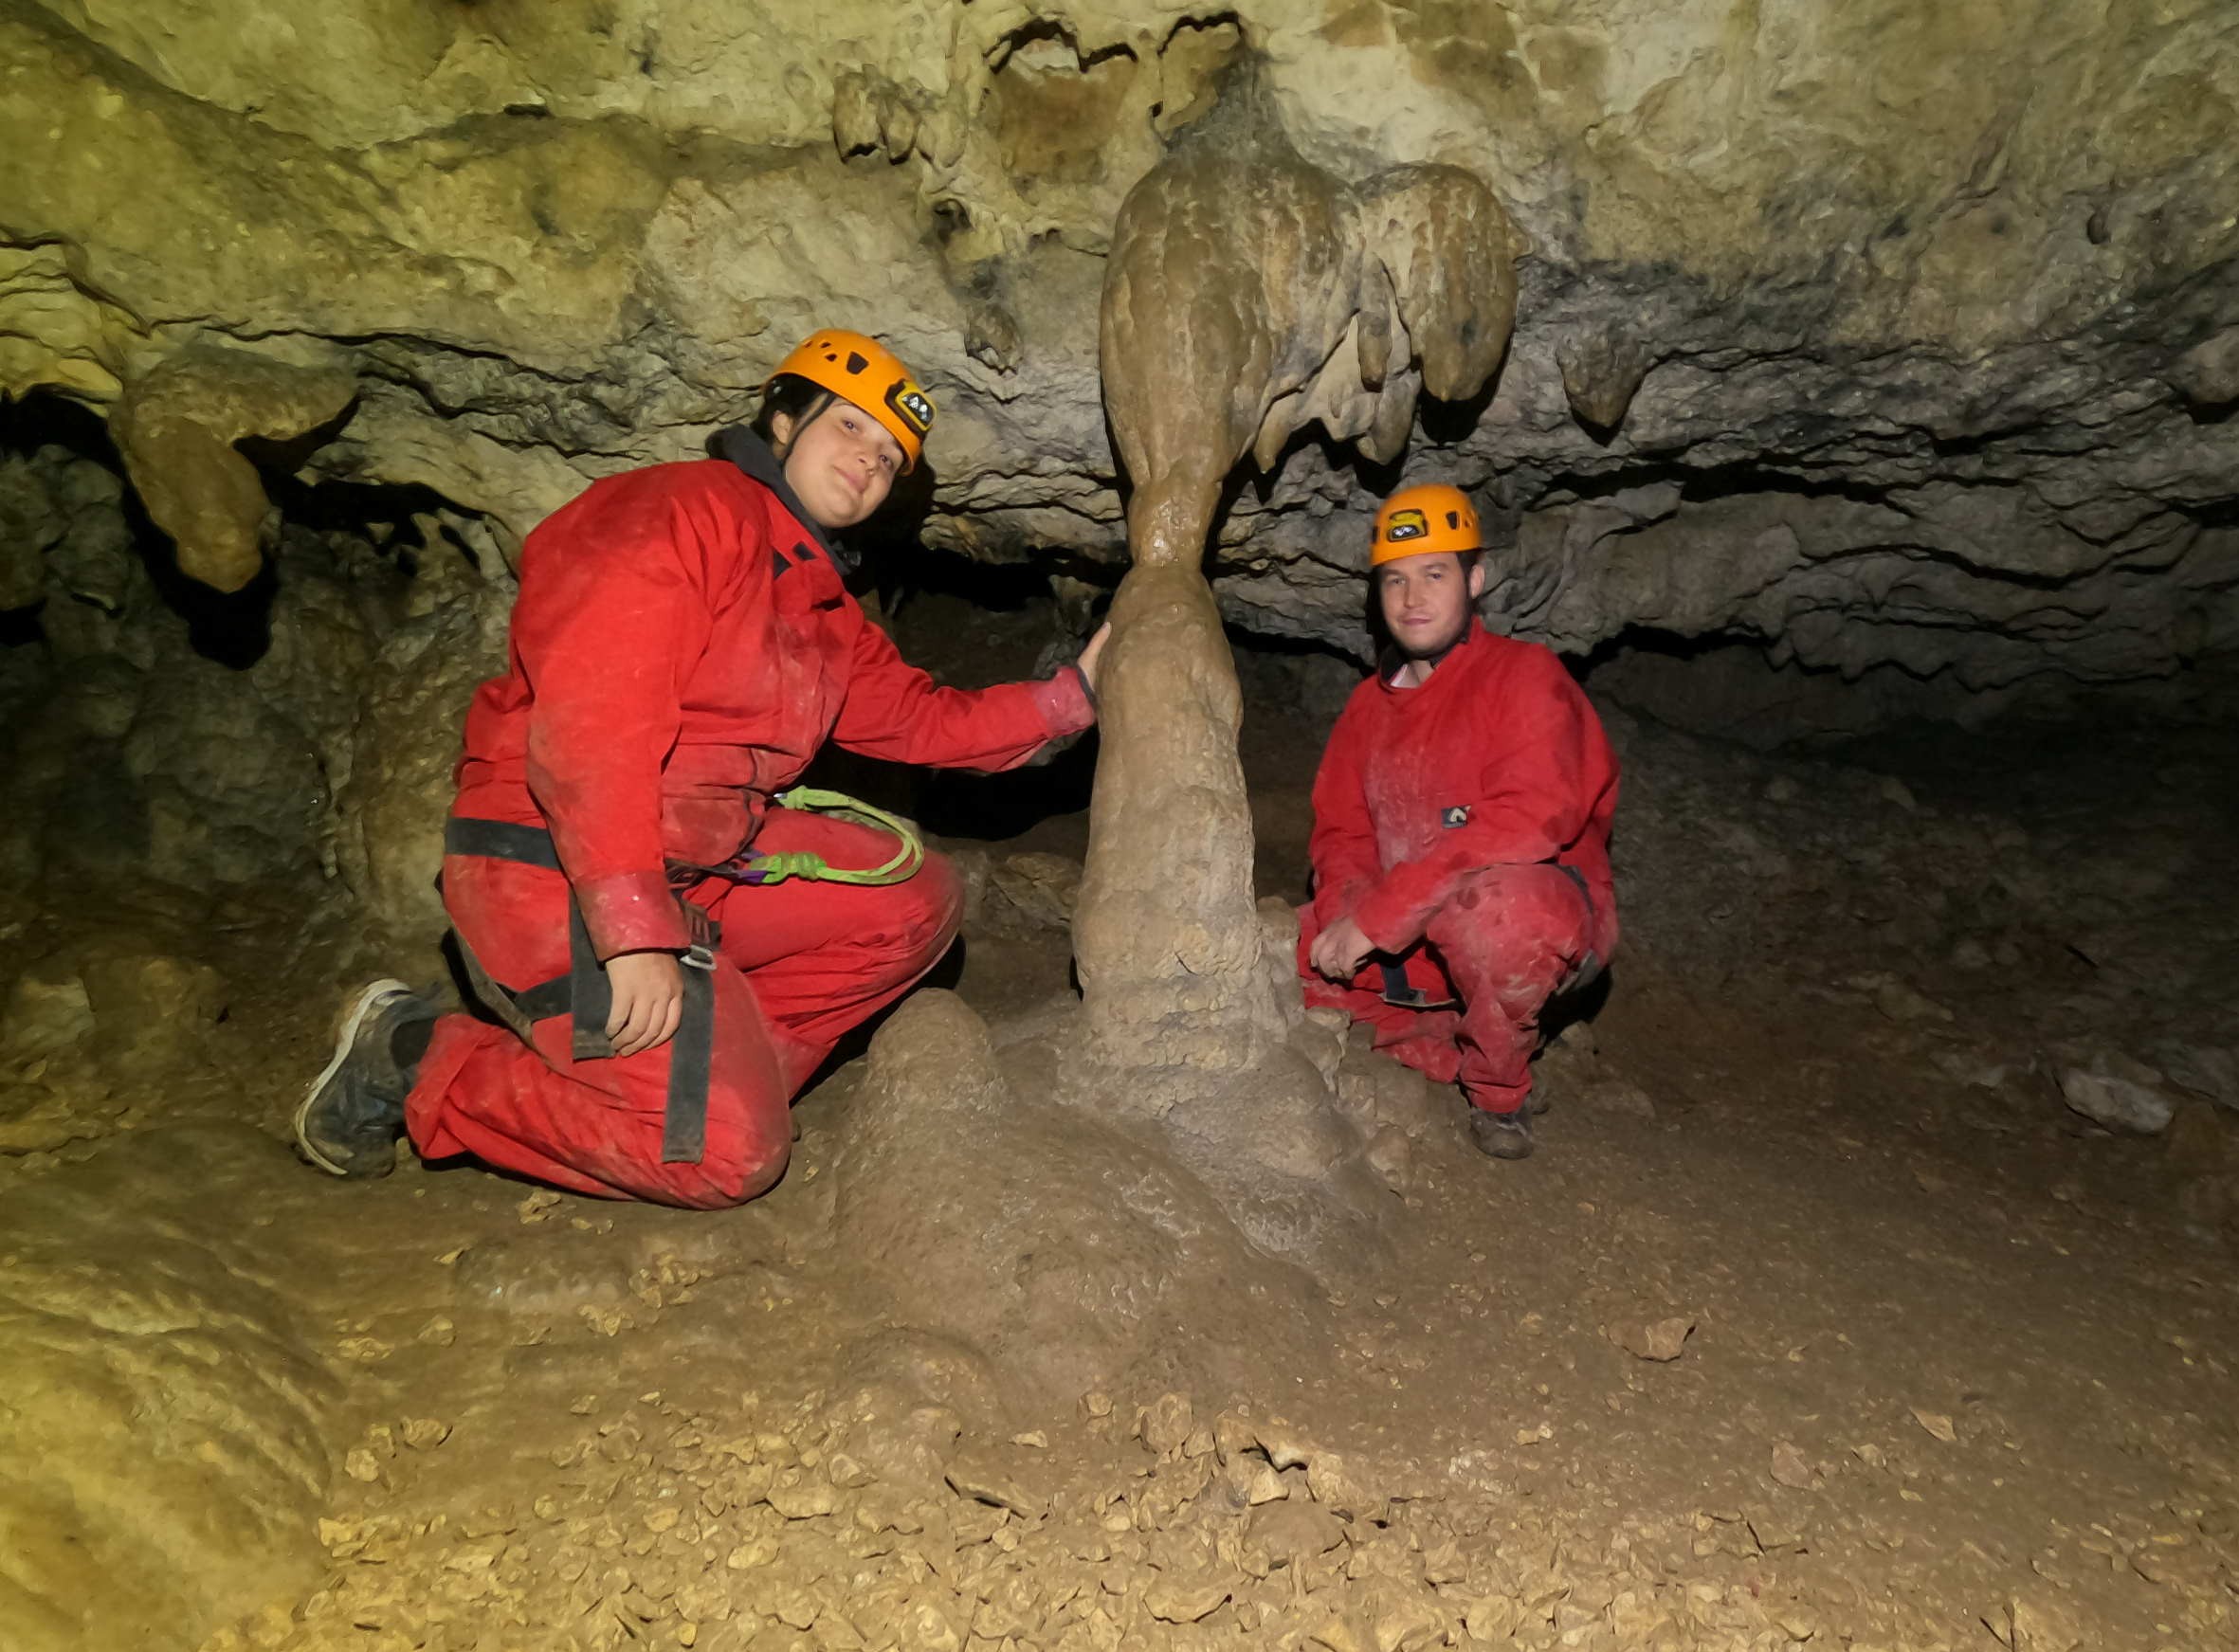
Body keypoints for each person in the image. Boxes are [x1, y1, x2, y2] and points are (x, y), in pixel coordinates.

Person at [294, 329, 1107, 1207]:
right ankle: (413, 1050)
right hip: (553, 866)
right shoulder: (674, 514)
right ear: (784, 419)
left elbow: (920, 718)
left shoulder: (820, 603)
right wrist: (633, 926)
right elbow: (592, 733)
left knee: (915, 901)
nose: (869, 465)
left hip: (703, 869)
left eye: (887, 459)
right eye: (850, 430)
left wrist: (1076, 696)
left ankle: (717, 1068)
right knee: (727, 1157)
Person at [1299, 482, 1618, 1160]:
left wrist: (1381, 916)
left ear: (1474, 580)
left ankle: (1500, 1089)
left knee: (1495, 913)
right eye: (1395, 580)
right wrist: (1348, 913)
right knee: (1273, 955)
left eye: (1434, 574)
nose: (1412, 598)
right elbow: (1342, 833)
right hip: (1410, 935)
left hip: (1520, 918)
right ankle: (1445, 1038)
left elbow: (1529, 819)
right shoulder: (1366, 708)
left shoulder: (1527, 677)